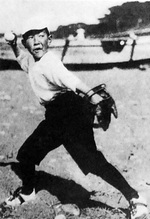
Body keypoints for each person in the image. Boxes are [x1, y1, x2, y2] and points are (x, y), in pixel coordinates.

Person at [4, 16, 148, 219]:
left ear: (50, 39)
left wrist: (94, 96)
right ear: (25, 42)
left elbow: (72, 80)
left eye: (41, 36)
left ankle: (135, 199)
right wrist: (13, 45)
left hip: (70, 114)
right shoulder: (33, 61)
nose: (36, 41)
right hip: (55, 117)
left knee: (93, 163)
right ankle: (28, 192)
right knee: (26, 155)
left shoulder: (50, 63)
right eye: (30, 37)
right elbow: (23, 62)